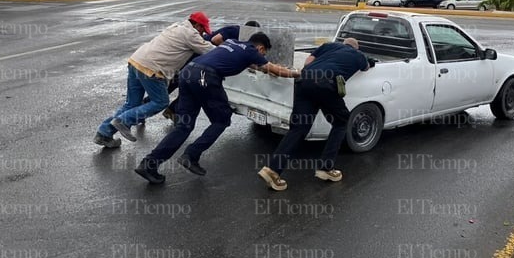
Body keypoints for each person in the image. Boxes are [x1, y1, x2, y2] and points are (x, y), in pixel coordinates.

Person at [135, 32, 299, 184]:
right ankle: (191, 155)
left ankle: (149, 164)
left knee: (183, 126)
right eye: (263, 54)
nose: (262, 57)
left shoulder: (232, 42)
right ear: (261, 48)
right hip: (205, 77)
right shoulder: (251, 51)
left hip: (188, 73)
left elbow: (249, 65)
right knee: (222, 119)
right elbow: (274, 70)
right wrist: (299, 73)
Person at [258, 37, 370, 192]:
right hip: (325, 84)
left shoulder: (328, 46)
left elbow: (307, 63)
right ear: (356, 48)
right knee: (341, 122)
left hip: (304, 81)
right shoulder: (359, 56)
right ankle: (325, 168)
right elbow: (365, 68)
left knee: (298, 128)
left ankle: (272, 170)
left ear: (342, 44)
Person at [94, 12, 214, 148]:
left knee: (131, 104)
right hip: (152, 68)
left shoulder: (175, 27)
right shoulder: (191, 34)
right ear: (197, 26)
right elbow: (210, 50)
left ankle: (104, 133)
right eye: (203, 30)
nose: (203, 34)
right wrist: (229, 49)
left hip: (136, 61)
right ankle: (124, 121)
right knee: (160, 101)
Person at [160, 20, 262, 120]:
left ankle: (171, 110)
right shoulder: (235, 30)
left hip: (205, 57)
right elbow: (215, 40)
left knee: (190, 86)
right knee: (179, 82)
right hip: (200, 53)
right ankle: (152, 103)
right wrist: (226, 54)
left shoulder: (247, 38)